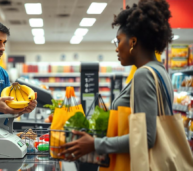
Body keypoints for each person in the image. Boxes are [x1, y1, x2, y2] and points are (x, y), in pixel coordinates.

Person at [59, 0, 173, 161]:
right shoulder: (161, 72)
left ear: (133, 42)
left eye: (118, 40)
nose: (116, 48)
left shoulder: (144, 75)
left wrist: (96, 144)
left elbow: (146, 138)